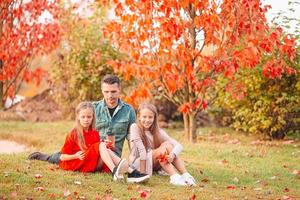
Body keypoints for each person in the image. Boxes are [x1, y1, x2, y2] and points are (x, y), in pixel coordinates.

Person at [28, 75, 147, 182]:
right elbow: (80, 128)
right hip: (88, 149)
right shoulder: (93, 108)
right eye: (106, 92)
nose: (110, 95)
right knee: (62, 155)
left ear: (119, 90)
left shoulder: (129, 110)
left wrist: (136, 158)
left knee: (100, 148)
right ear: (102, 91)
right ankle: (44, 156)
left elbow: (132, 137)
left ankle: (129, 171)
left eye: (113, 92)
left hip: (112, 152)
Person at [128, 102, 196, 186]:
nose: (147, 120)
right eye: (144, 117)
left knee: (167, 144)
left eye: (150, 117)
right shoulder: (134, 127)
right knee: (161, 151)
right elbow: (141, 151)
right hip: (139, 164)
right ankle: (174, 177)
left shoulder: (158, 132)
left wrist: (172, 155)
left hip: (153, 164)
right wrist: (141, 173)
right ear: (138, 117)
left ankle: (185, 175)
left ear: (154, 118)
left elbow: (179, 145)